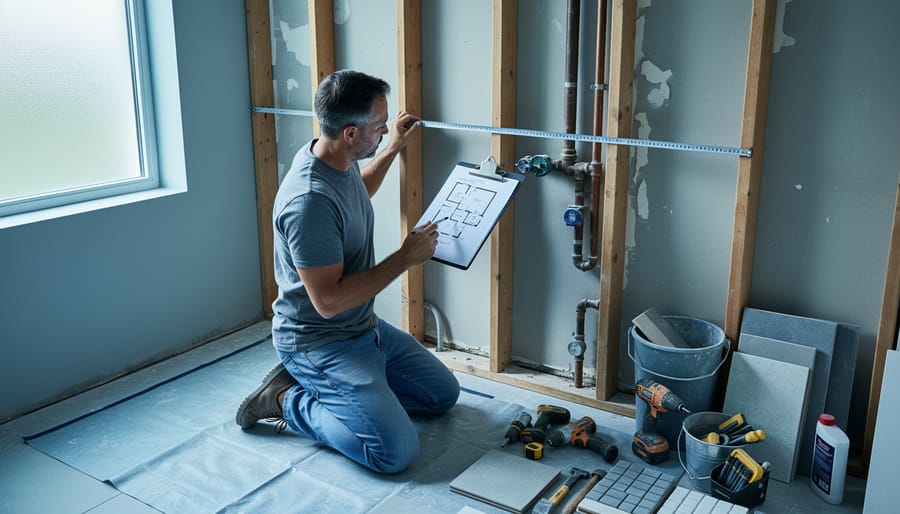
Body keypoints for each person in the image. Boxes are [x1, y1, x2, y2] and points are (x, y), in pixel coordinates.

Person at [235, 69, 460, 474]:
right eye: (379, 126)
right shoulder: (308, 201)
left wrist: (390, 147)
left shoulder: (336, 158)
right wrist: (405, 258)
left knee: (441, 396)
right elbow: (328, 301)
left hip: (362, 328)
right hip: (319, 341)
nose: (384, 129)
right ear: (351, 134)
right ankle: (286, 398)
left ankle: (355, 397)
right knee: (394, 453)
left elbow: (358, 194)